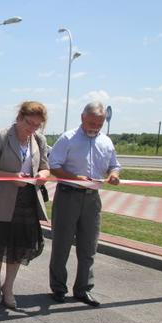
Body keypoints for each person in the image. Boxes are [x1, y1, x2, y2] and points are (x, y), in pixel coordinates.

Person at [0, 101, 50, 309]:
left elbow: (45, 167)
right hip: (0, 201)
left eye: (36, 125)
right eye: (28, 122)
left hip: (27, 203)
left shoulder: (39, 140)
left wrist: (43, 174)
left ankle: (9, 287)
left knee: (18, 248)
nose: (31, 128)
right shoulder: (2, 136)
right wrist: (10, 177)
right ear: (19, 117)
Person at [48, 102, 121, 307]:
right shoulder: (68, 138)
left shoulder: (106, 142)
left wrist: (114, 175)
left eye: (99, 124)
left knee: (89, 247)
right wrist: (74, 177)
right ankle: (58, 289)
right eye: (91, 122)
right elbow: (54, 166)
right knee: (61, 245)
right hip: (68, 196)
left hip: (92, 200)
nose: (95, 127)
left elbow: (114, 165)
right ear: (82, 117)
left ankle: (83, 289)